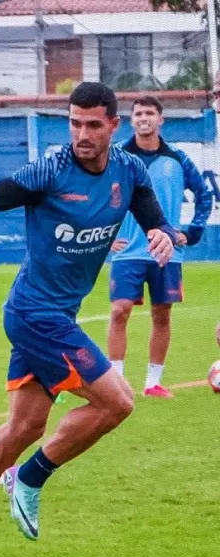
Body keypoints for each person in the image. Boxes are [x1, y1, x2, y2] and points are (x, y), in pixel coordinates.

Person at [0, 83, 177, 557]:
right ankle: (29, 477)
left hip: (55, 314)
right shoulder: (49, 172)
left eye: (93, 124)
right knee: (117, 403)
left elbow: (149, 210)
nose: (82, 134)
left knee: (24, 428)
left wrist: (161, 232)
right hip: (35, 316)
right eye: (75, 123)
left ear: (113, 127)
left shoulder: (130, 168)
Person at [106, 95, 212, 398]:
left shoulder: (177, 158)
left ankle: (153, 382)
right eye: (138, 113)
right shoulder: (117, 157)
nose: (144, 118)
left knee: (162, 314)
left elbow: (203, 195)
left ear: (160, 119)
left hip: (167, 251)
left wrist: (191, 233)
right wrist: (106, 237)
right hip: (128, 250)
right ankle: (116, 380)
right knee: (119, 310)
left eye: (149, 113)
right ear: (131, 120)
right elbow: (96, 196)